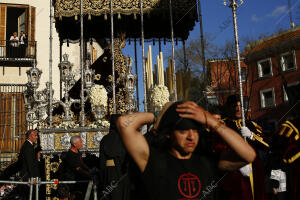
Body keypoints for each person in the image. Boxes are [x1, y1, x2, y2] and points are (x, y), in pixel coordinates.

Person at [117, 101, 256, 200]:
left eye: (195, 131)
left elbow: (248, 155)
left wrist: (212, 122)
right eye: (183, 131)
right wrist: (159, 115)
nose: (191, 137)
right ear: (169, 133)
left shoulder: (207, 163)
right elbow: (124, 123)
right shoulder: (154, 161)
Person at [214, 95, 269, 200]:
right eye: (235, 105)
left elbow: (266, 145)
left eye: (240, 106)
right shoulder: (222, 125)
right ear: (229, 108)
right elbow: (218, 149)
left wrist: (252, 135)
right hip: (234, 173)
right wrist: (237, 165)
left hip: (255, 170)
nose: (238, 109)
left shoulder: (251, 125)